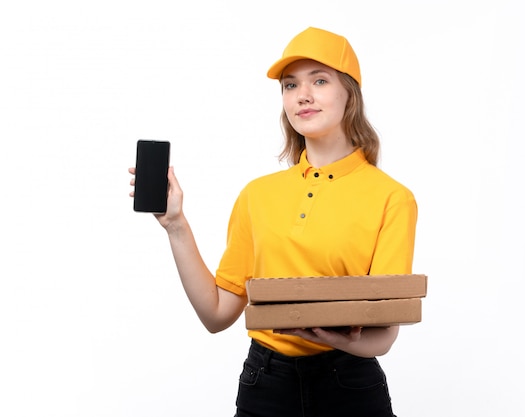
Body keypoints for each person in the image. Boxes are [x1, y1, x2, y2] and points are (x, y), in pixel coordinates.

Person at [129, 26, 417, 417]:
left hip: (347, 384)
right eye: (290, 85)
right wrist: (176, 224)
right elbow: (216, 315)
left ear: (350, 93)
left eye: (320, 80)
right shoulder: (257, 195)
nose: (303, 95)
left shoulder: (391, 198)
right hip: (265, 384)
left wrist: (321, 333)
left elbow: (382, 335)